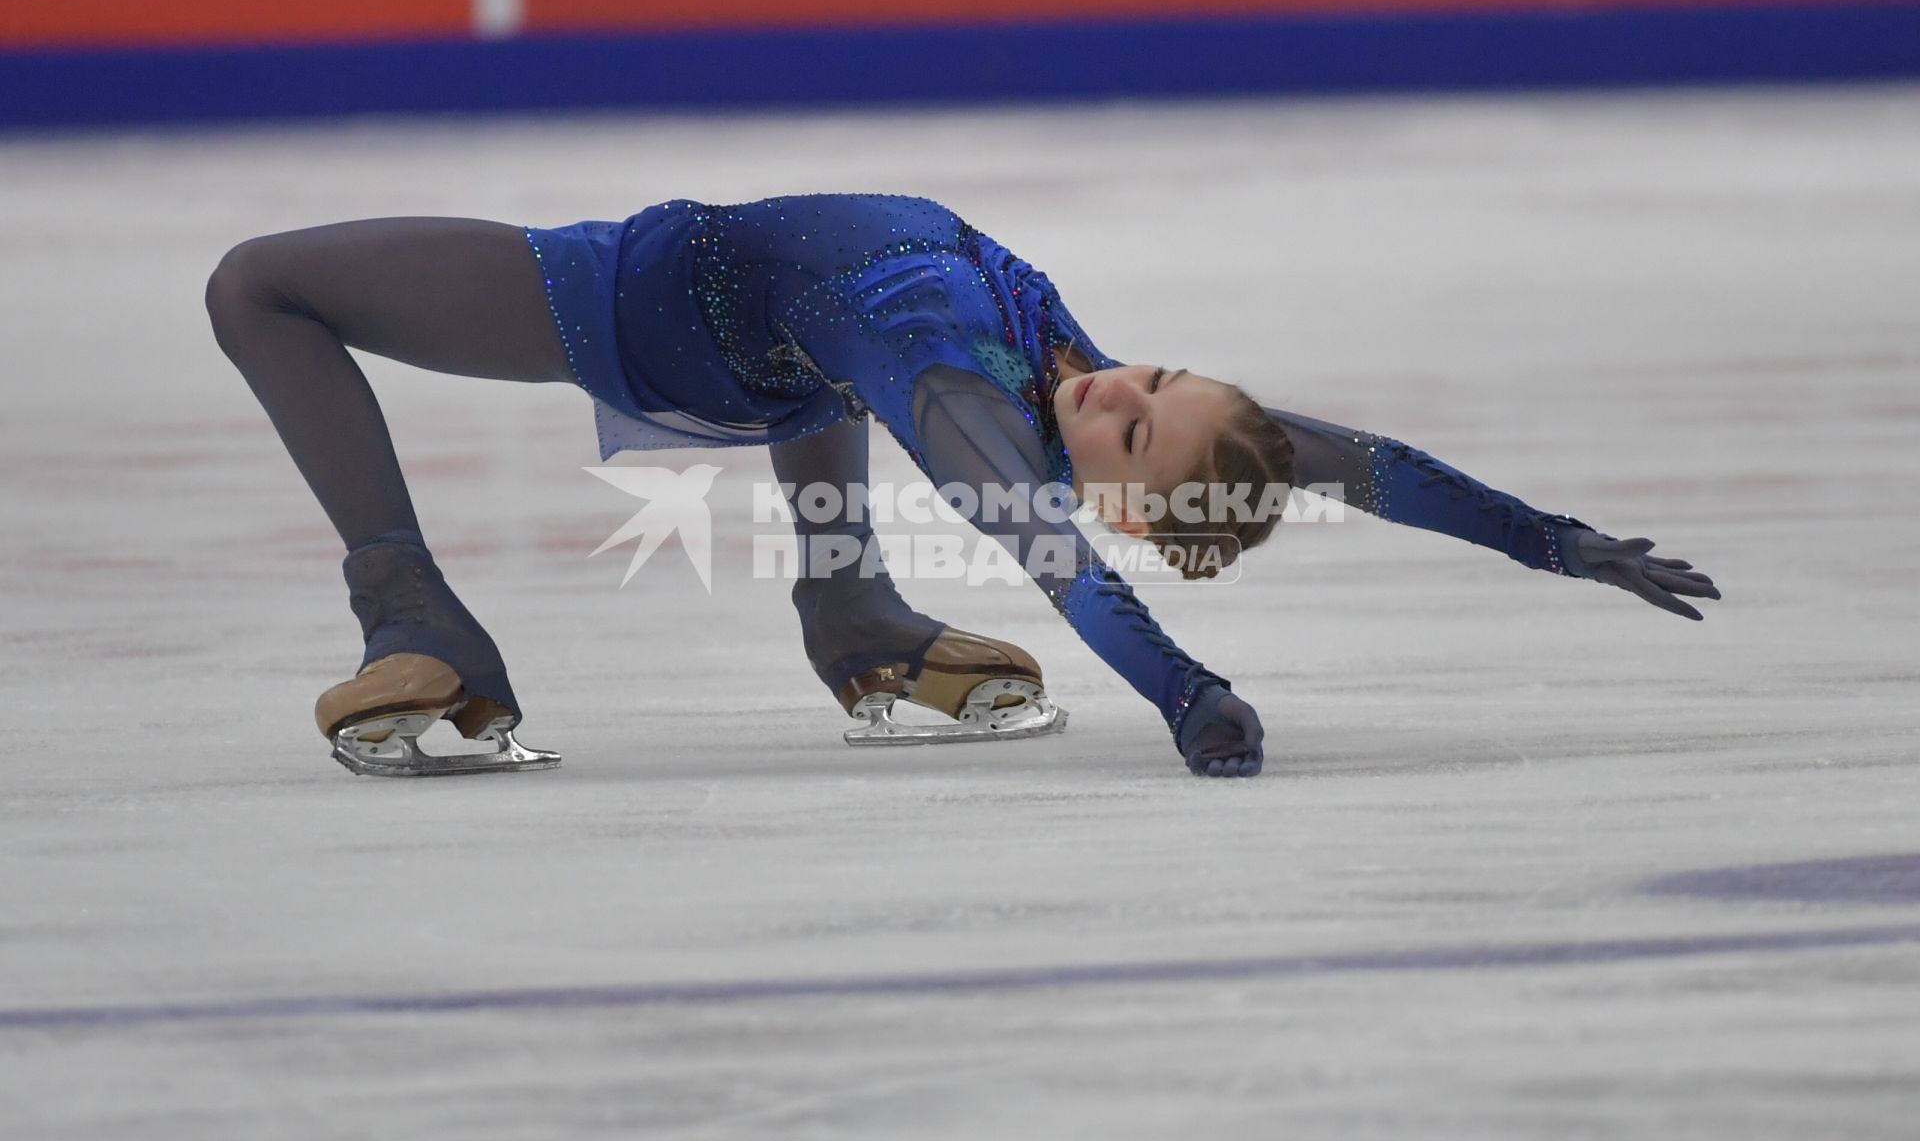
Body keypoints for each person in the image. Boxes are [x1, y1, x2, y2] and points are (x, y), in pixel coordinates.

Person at [206, 195, 1719, 779]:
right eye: (1158, 380)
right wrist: (1563, 543)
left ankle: (413, 614)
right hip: (787, 344)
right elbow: (1368, 466)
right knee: (821, 357)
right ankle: (852, 610)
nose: (1115, 390)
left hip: (621, 298)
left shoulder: (960, 398)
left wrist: (1190, 696)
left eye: (1125, 435)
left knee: (258, 285)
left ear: (1112, 494)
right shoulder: (1114, 393)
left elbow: (1075, 584)